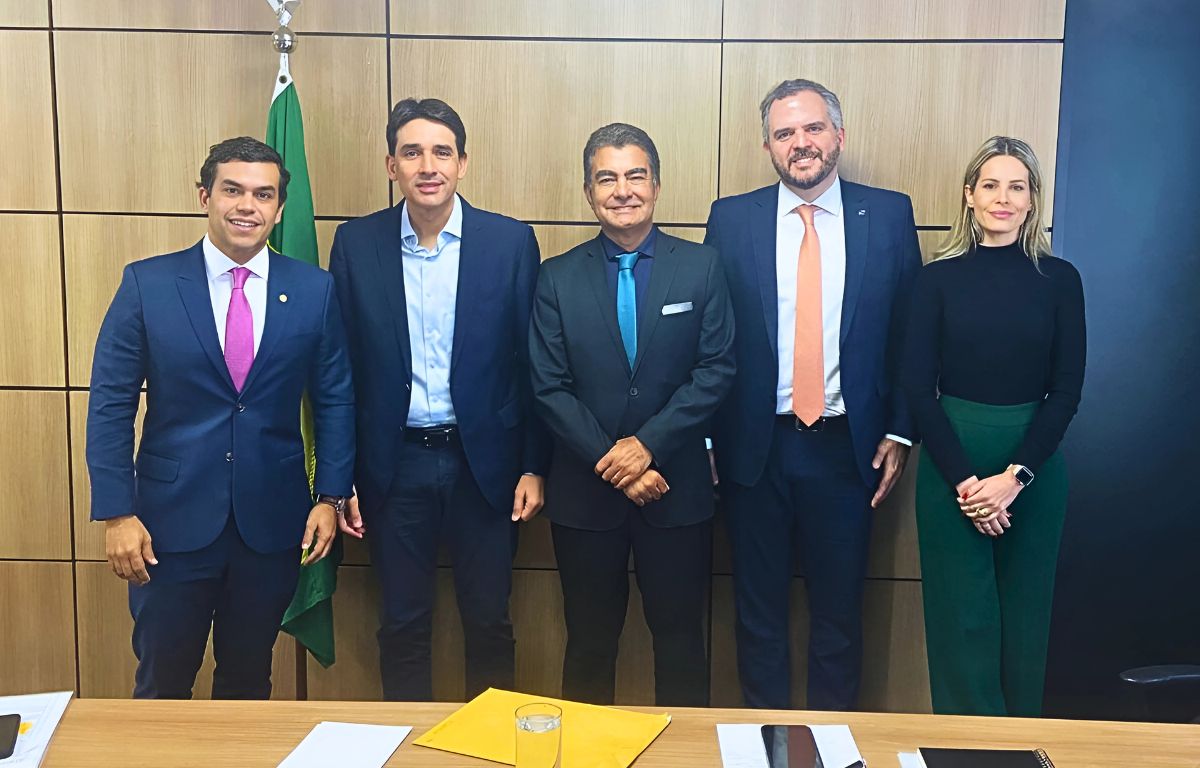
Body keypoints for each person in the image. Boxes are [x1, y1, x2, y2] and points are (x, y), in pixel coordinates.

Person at [87, 136, 355, 699]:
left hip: (272, 525)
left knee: (249, 682)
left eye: (263, 194)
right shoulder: (147, 284)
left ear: (279, 208)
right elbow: (110, 403)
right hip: (167, 527)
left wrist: (330, 497)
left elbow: (334, 399)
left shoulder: (314, 291)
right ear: (205, 196)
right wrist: (116, 513)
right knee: (163, 683)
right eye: (233, 190)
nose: (247, 206)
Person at [705, 79, 921, 710]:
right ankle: (764, 744)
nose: (800, 143)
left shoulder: (888, 215)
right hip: (754, 448)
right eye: (784, 133)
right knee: (758, 616)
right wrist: (708, 436)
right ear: (768, 147)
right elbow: (711, 337)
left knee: (839, 617)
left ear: (839, 136)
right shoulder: (731, 219)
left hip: (847, 449)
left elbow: (910, 335)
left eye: (813, 128)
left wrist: (901, 429)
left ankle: (833, 746)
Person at [329, 98, 549, 702]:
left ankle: (495, 741)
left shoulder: (508, 242)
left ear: (463, 163)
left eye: (441, 152)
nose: (428, 166)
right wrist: (340, 478)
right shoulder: (357, 244)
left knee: (489, 621)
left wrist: (533, 464)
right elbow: (340, 372)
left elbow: (531, 366)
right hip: (393, 465)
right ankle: (404, 740)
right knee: (401, 623)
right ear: (391, 165)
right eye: (412, 153)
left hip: (487, 466)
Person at [530, 123, 735, 706]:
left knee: (682, 644)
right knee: (589, 644)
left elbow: (716, 369)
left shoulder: (701, 267)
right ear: (589, 192)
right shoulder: (556, 276)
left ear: (657, 185)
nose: (622, 190)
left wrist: (647, 447)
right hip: (585, 494)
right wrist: (615, 461)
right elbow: (548, 386)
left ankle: (683, 751)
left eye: (635, 176)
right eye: (607, 178)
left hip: (676, 488)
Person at [900, 135, 1085, 716]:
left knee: (1026, 624)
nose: (1003, 198)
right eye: (991, 185)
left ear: (1032, 200)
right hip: (951, 463)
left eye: (1017, 187)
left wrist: (1014, 478)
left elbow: (1067, 390)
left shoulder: (1060, 280)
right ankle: (965, 749)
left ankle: (1018, 748)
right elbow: (917, 389)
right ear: (969, 195)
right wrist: (968, 486)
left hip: (1033, 468)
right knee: (960, 623)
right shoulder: (936, 280)